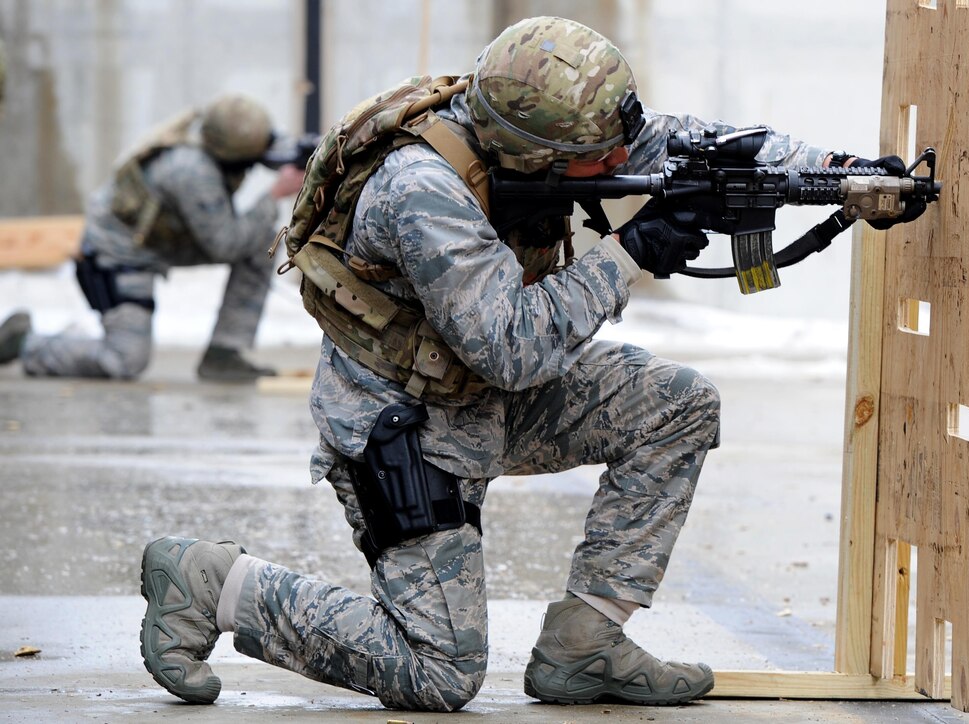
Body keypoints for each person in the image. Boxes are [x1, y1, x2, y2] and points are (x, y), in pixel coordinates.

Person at [135, 16, 927, 712]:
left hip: (484, 396)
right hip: (406, 429)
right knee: (439, 672)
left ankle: (585, 642)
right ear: (537, 155)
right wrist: (632, 251)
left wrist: (846, 175)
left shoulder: (547, 127)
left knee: (677, 402)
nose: (622, 156)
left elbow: (701, 144)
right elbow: (513, 347)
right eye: (599, 155)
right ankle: (211, 582)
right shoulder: (424, 191)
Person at [0, 94, 305, 381]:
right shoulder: (191, 170)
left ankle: (224, 353)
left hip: (156, 244)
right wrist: (275, 194)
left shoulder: (209, 141)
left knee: (262, 239)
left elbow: (267, 156)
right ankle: (25, 343)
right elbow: (225, 243)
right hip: (116, 257)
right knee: (124, 360)